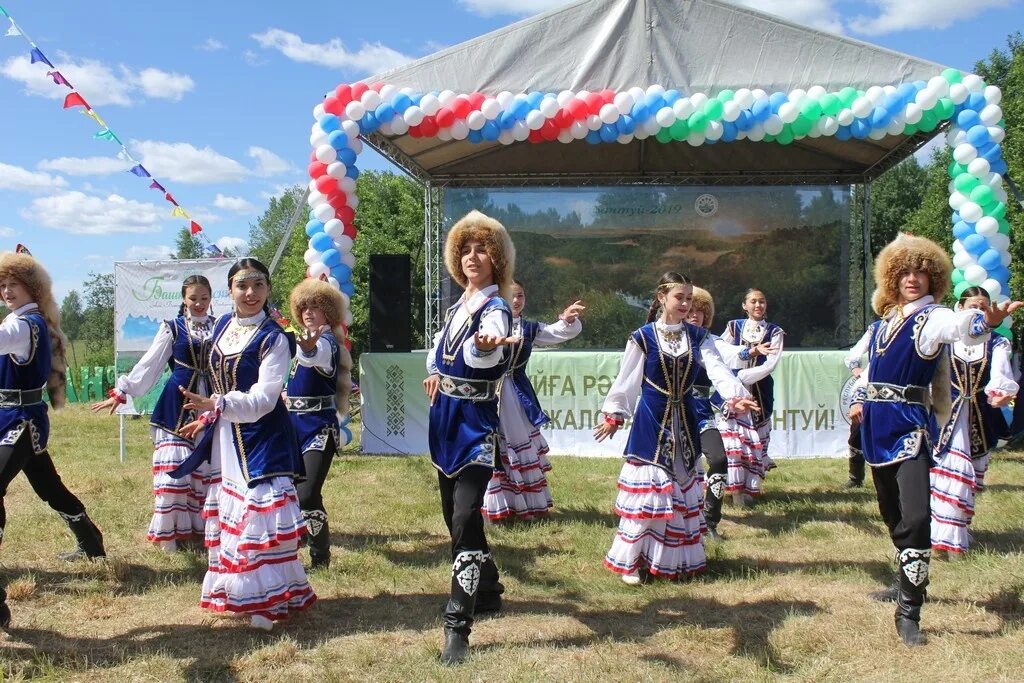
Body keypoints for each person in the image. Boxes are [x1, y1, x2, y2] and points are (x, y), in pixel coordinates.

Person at [850, 233, 1020, 645]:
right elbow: (862, 368)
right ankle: (904, 579)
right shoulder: (881, 326)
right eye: (904, 271)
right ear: (892, 277)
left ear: (934, 279)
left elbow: (963, 327)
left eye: (921, 272)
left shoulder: (934, 318)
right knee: (894, 517)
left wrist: (986, 321)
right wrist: (857, 399)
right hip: (875, 426)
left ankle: (909, 611)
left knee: (918, 517)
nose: (913, 278)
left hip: (911, 427)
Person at [173, 258, 314, 630]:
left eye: (258, 285)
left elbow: (265, 399)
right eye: (242, 285)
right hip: (227, 437)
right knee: (234, 515)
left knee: (259, 518)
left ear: (268, 289)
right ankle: (239, 592)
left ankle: (267, 603)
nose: (250, 293)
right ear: (231, 289)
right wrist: (208, 415)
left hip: (263, 439)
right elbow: (218, 386)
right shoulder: (222, 325)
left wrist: (218, 404)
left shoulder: (274, 337)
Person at [595, 272, 756, 584]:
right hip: (652, 420)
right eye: (679, 298)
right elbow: (627, 380)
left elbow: (718, 369)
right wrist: (614, 414)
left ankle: (669, 561)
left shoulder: (697, 337)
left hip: (685, 421)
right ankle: (632, 562)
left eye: (688, 298)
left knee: (680, 491)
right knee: (649, 492)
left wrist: (736, 394)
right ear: (661, 298)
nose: (684, 304)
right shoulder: (642, 337)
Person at [423, 210, 515, 665]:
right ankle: (491, 586)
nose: (472, 256)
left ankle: (457, 624)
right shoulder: (457, 307)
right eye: (465, 250)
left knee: (463, 518)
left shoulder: (495, 309)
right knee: (455, 519)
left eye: (481, 249)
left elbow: (489, 344)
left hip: (476, 423)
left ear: (497, 258)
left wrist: (484, 347)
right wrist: (436, 372)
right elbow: (439, 351)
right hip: (444, 419)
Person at [92, 275, 214, 551]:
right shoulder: (173, 328)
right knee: (173, 474)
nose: (198, 303)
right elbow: (151, 363)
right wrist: (124, 390)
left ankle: (200, 533)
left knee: (205, 473)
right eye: (193, 298)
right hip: (177, 404)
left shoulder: (219, 328)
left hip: (208, 404)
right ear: (184, 298)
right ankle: (169, 538)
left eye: (204, 298)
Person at [0, 249, 105, 563]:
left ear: (32, 288)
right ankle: (91, 543)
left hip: (19, 422)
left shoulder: (21, 326)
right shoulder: (26, 320)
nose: (6, 291)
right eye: (2, 284)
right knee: (49, 486)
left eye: (13, 284)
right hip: (16, 418)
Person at [482, 279, 583, 522]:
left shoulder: (527, 328)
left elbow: (556, 333)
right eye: (512, 295)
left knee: (517, 442)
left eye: (521, 296)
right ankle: (493, 505)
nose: (516, 301)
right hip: (487, 393)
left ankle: (524, 503)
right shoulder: (486, 323)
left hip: (515, 394)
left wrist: (567, 319)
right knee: (491, 444)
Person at [930, 286, 1016, 559]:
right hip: (945, 417)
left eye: (984, 307)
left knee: (968, 479)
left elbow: (1001, 374)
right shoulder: (946, 339)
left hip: (978, 418)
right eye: (973, 306)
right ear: (961, 308)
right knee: (948, 473)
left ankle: (957, 531)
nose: (978, 311)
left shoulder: (997, 343)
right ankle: (945, 539)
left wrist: (1001, 393)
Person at [286, 277, 352, 570]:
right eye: (304, 307)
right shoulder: (302, 338)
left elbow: (317, 358)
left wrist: (308, 350)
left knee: (308, 493)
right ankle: (292, 551)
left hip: (318, 428)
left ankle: (320, 556)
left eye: (316, 306)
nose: (309, 312)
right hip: (292, 426)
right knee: (292, 492)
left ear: (328, 310)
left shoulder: (324, 342)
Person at [720, 289, 784, 504]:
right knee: (735, 437)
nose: (758, 305)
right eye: (753, 301)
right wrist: (734, 379)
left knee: (756, 436)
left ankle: (749, 488)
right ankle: (735, 489)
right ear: (744, 305)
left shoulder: (775, 332)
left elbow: (770, 364)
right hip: (734, 391)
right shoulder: (733, 327)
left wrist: (743, 376)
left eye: (762, 301)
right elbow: (720, 353)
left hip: (760, 389)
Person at [842, 323, 877, 489]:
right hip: (870, 385)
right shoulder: (877, 328)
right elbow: (853, 353)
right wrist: (856, 368)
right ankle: (855, 477)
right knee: (857, 432)